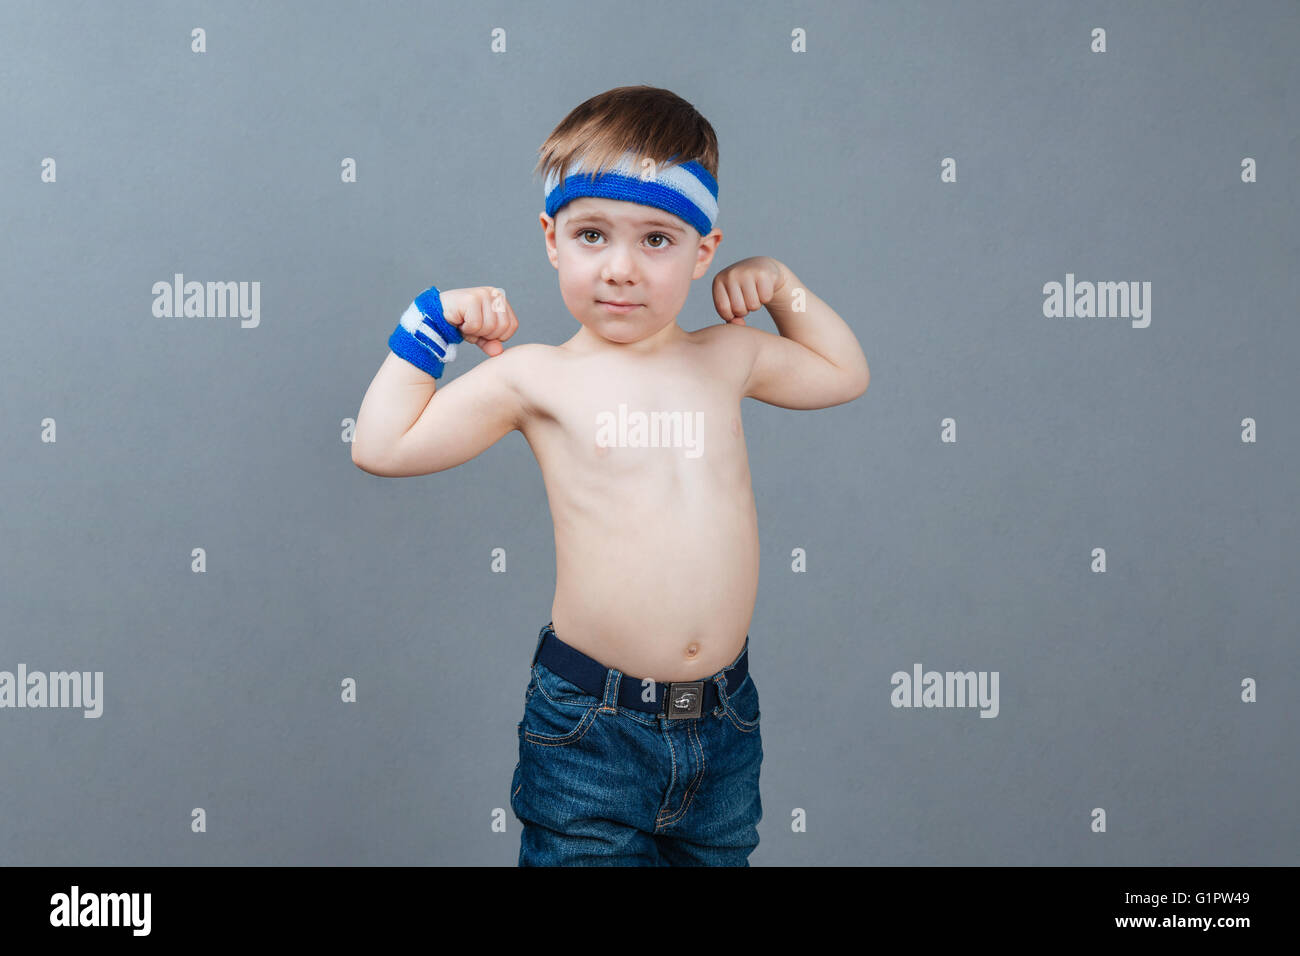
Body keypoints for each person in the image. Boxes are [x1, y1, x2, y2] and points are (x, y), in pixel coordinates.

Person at [351, 85, 869, 865]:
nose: (620, 269)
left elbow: (844, 373)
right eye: (592, 234)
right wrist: (430, 324)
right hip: (591, 727)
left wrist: (780, 285)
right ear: (552, 239)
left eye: (657, 241)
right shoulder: (536, 378)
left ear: (704, 252)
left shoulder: (726, 357)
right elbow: (382, 446)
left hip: (724, 723)